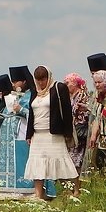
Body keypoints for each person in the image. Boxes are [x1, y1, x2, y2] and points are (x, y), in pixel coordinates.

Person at [18, 66, 78, 199]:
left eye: (43, 79)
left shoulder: (59, 88)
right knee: (37, 164)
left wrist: (67, 133)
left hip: (54, 134)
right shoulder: (35, 90)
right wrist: (29, 134)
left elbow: (67, 112)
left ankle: (73, 191)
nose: (40, 83)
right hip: (37, 134)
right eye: (38, 80)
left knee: (61, 162)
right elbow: (32, 114)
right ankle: (39, 195)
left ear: (48, 77)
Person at [0, 65, 37, 196]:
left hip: (24, 133)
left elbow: (37, 114)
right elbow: (9, 112)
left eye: (15, 82)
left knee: (22, 160)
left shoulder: (32, 95)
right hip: (9, 136)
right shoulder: (15, 96)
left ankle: (26, 190)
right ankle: (9, 189)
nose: (13, 85)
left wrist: (21, 110)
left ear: (24, 81)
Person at [63, 73, 91, 172]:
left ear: (75, 83)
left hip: (80, 132)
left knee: (77, 162)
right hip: (73, 132)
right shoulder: (70, 97)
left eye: (67, 83)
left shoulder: (82, 96)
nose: (65, 86)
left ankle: (77, 186)